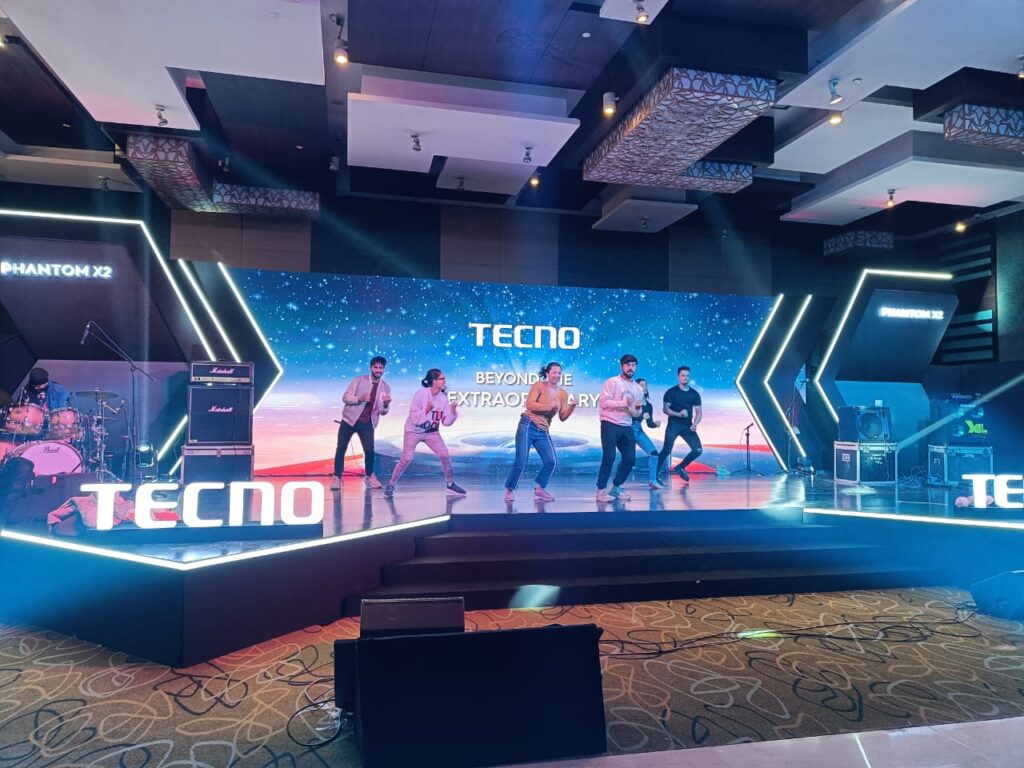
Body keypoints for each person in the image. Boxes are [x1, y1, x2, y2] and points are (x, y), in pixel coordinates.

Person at [384, 369, 466, 498]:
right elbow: (414, 418)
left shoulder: (443, 398)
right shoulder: (420, 394)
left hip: (431, 433)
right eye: (442, 379)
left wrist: (453, 412)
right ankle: (391, 485)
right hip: (413, 431)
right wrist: (426, 411)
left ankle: (450, 485)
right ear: (434, 381)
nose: (445, 381)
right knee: (407, 458)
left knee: (444, 455)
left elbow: (446, 422)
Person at [504, 362, 577, 503]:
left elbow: (563, 416)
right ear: (548, 373)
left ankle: (539, 490)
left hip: (543, 430)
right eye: (554, 372)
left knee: (551, 461)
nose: (557, 375)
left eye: (559, 373)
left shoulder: (563, 394)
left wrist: (572, 406)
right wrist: (549, 405)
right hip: (528, 425)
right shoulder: (539, 386)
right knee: (521, 461)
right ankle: (509, 490)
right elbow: (530, 404)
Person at [332, 356, 392, 490]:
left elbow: (383, 412)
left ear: (383, 369)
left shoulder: (386, 387)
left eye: (380, 368)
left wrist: (386, 405)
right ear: (371, 368)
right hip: (349, 420)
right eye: (375, 367)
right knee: (341, 448)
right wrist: (359, 398)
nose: (378, 370)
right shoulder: (359, 380)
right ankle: (337, 477)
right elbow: (345, 397)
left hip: (367, 422)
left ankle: (369, 476)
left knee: (369, 450)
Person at [596, 354, 644, 502]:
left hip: (626, 425)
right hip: (609, 423)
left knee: (630, 459)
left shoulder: (638, 388)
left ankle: (616, 487)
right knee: (609, 457)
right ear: (622, 366)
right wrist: (623, 403)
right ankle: (601, 490)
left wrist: (637, 411)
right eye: (628, 365)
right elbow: (604, 403)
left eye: (633, 365)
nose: (631, 368)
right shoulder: (613, 382)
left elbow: (636, 411)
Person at [658, 365, 703, 483]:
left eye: (687, 376)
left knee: (698, 450)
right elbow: (665, 409)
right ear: (678, 376)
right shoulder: (671, 392)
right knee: (666, 450)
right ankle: (654, 474)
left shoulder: (694, 394)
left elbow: (699, 412)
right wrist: (679, 414)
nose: (685, 378)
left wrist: (695, 424)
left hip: (688, 426)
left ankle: (680, 467)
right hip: (674, 425)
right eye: (683, 375)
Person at [633, 378, 665, 490]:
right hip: (628, 430)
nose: (644, 388)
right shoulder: (631, 401)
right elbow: (628, 416)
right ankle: (617, 485)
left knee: (654, 453)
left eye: (645, 385)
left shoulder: (649, 406)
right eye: (641, 386)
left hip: (638, 430)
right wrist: (641, 416)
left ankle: (653, 480)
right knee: (628, 458)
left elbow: (649, 423)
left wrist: (655, 424)